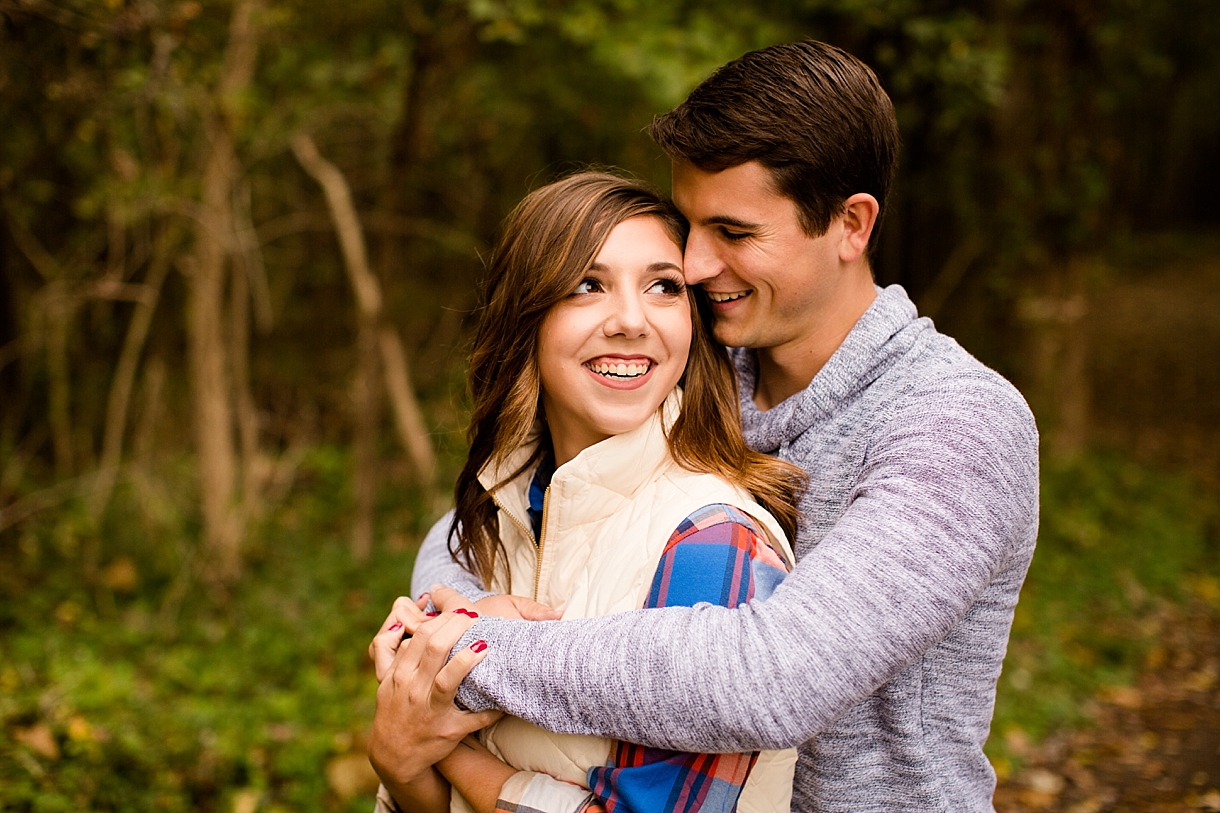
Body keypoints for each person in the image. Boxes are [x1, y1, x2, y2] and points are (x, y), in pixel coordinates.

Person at [377, 40, 1040, 813]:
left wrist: (466, 653)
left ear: (852, 225)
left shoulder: (954, 422)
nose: (691, 265)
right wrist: (446, 614)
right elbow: (485, 519)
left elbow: (774, 676)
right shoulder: (695, 369)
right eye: (687, 224)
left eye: (733, 232)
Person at [367, 172, 809, 813]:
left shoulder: (711, 539)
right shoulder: (503, 510)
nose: (631, 321)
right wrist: (403, 772)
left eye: (664, 287)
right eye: (588, 285)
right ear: (529, 317)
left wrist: (417, 748)